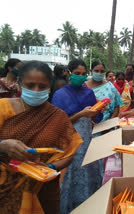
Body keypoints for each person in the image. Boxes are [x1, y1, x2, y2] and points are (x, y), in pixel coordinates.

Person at [0, 60, 82, 214]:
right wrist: (3, 145)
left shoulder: (58, 117)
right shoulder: (3, 107)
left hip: (43, 188)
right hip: (5, 188)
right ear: (19, 84)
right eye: (30, 86)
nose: (36, 90)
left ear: (49, 87)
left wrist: (51, 168)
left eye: (42, 87)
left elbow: (69, 153)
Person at [51, 59, 103, 214]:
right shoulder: (60, 95)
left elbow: (96, 120)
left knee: (90, 173)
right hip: (68, 141)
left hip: (87, 140)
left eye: (83, 74)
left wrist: (98, 110)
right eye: (76, 74)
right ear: (69, 73)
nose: (80, 76)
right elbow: (57, 123)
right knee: (70, 174)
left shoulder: (89, 93)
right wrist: (81, 114)